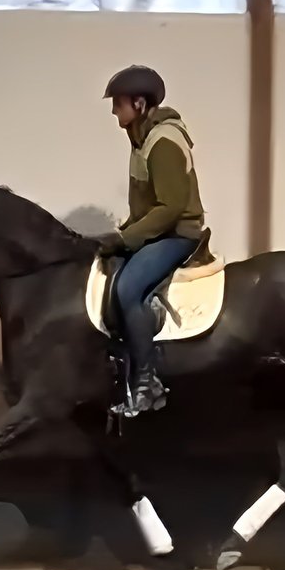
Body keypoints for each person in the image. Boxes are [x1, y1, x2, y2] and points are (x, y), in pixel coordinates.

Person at [92, 65, 209, 415]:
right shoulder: (141, 140)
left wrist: (125, 238)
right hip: (159, 231)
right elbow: (145, 205)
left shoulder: (163, 142)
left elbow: (171, 207)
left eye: (119, 103)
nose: (115, 110)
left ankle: (146, 384)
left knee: (129, 289)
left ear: (139, 104)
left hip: (178, 234)